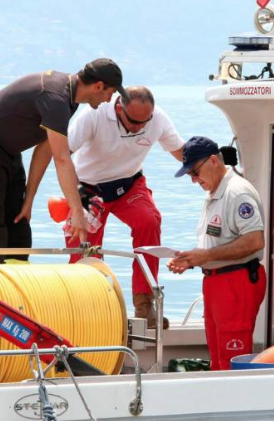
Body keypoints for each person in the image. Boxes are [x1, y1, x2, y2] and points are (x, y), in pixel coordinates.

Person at [0, 58, 128, 262]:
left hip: (9, 152)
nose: (109, 100)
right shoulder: (55, 96)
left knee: (19, 227)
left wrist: (28, 199)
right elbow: (62, 159)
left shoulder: (70, 98)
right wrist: (77, 211)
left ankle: (18, 287)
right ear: (98, 86)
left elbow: (44, 150)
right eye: (111, 93)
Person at [65, 86, 184, 328]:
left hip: (129, 185)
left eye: (145, 122)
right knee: (83, 245)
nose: (139, 127)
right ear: (118, 107)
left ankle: (144, 305)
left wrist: (215, 171)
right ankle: (86, 307)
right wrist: (75, 194)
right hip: (88, 189)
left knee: (149, 221)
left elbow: (181, 152)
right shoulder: (94, 115)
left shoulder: (158, 118)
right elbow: (62, 153)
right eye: (133, 121)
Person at [167, 136, 266, 370]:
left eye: (194, 172)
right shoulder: (215, 191)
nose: (193, 180)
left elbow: (255, 241)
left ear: (213, 161)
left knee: (232, 360)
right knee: (218, 359)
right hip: (216, 282)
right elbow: (215, 243)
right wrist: (191, 260)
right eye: (190, 174)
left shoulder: (237, 193)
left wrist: (206, 257)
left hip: (236, 281)